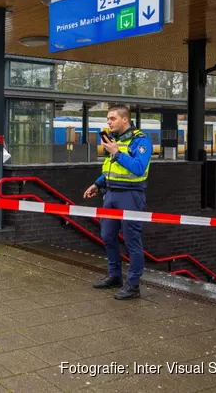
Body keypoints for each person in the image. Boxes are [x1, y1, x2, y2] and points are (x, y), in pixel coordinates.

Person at [83, 105, 152, 300]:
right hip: (111, 194)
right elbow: (110, 169)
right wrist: (97, 184)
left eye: (112, 118)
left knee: (132, 241)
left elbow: (139, 168)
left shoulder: (141, 140)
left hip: (131, 196)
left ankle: (133, 285)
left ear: (124, 119)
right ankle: (114, 276)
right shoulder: (114, 140)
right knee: (107, 236)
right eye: (108, 118)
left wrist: (117, 153)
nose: (109, 122)